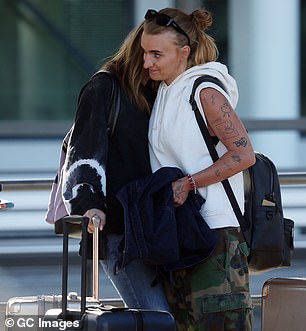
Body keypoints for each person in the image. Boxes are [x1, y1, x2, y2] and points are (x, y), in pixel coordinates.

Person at [141, 7, 256, 331]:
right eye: (145, 53)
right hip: (182, 233)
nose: (147, 62)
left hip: (217, 236)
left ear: (184, 52)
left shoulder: (204, 90)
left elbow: (243, 153)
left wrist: (188, 184)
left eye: (156, 54)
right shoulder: (165, 90)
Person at [60, 22, 171, 312]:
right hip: (118, 230)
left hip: (159, 228)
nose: (153, 63)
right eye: (151, 54)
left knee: (168, 319)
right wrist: (89, 205)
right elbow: (82, 153)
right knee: (156, 318)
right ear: (140, 52)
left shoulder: (165, 93)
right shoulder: (105, 87)